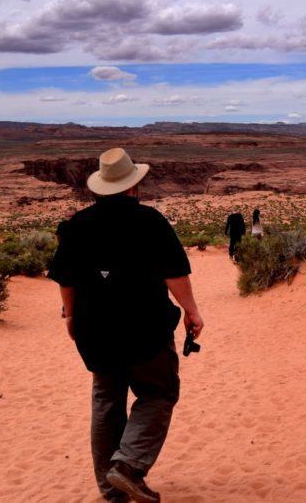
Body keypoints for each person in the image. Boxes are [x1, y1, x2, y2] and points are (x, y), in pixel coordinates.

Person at [48, 148, 204, 503]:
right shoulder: (150, 222)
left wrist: (71, 316)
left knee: (106, 400)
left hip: (94, 331)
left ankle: (109, 487)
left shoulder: (77, 226)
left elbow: (66, 280)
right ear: (134, 185)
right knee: (158, 393)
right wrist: (192, 312)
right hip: (145, 329)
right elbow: (175, 273)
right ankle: (128, 467)